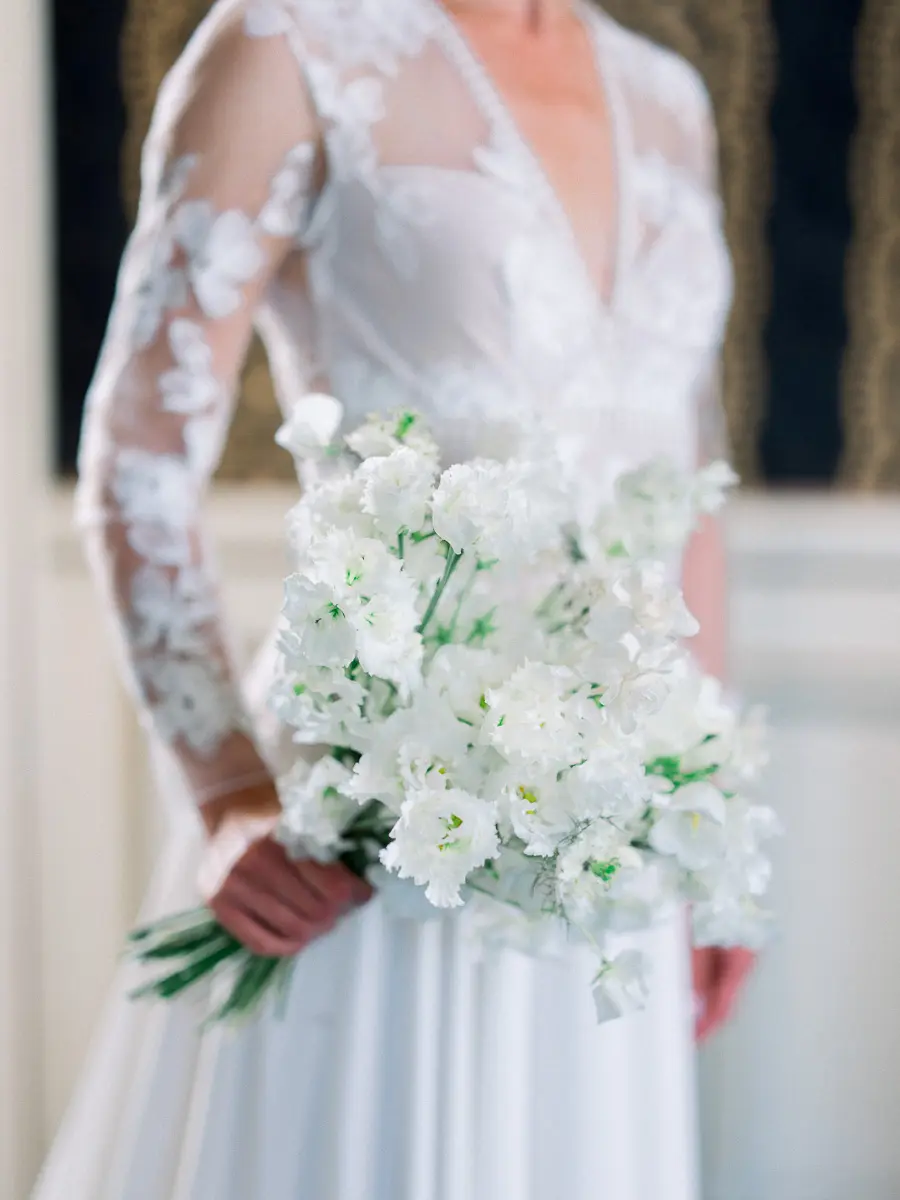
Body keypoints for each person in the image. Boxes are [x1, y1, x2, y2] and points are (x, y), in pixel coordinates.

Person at [34, 0, 754, 1196]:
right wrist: (220, 790)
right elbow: (139, 451)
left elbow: (688, 499)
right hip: (373, 825)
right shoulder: (287, 43)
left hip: (611, 856)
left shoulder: (668, 97)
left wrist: (713, 825)